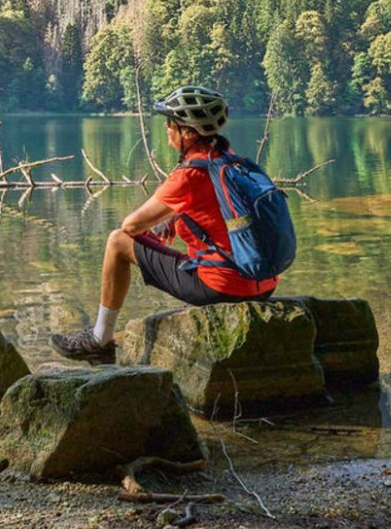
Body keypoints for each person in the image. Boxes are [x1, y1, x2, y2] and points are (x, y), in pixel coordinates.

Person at [50, 85, 278, 364]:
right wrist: (176, 216)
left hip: (222, 287)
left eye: (171, 124)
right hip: (263, 283)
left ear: (189, 133)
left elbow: (131, 226)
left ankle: (100, 339)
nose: (167, 129)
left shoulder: (189, 175)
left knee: (116, 241)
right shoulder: (231, 162)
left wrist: (160, 222)